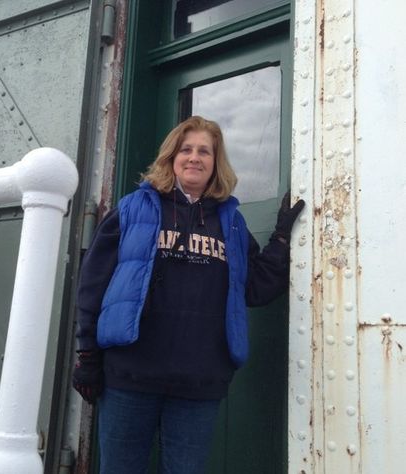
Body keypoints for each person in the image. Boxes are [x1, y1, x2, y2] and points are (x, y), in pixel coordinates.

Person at [73, 116, 305, 474]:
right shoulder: (133, 209)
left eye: (204, 151)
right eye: (186, 149)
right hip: (130, 378)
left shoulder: (231, 223)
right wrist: (87, 355)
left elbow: (257, 287)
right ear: (172, 157)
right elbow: (93, 284)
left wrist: (281, 237)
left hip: (198, 384)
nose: (195, 157)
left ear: (216, 162)